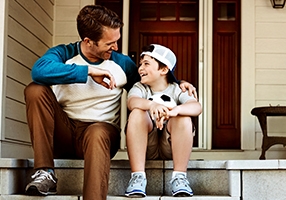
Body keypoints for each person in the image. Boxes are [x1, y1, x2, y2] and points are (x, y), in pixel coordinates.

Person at [23, 5, 196, 200]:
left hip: (101, 133)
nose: (115, 47)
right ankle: (45, 172)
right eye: (109, 43)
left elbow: (149, 85)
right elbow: (38, 72)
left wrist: (177, 83)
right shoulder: (63, 54)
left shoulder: (122, 63)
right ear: (88, 41)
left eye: (117, 41)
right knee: (35, 90)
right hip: (63, 131)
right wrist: (87, 72)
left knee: (97, 133)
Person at [124, 44, 202, 197]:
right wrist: (152, 105)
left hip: (171, 147)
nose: (140, 68)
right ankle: (138, 177)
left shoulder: (177, 89)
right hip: (147, 147)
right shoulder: (140, 88)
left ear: (164, 69)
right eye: (140, 64)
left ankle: (179, 177)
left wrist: (175, 111)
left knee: (184, 117)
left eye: (146, 64)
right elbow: (132, 102)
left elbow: (196, 107)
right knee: (137, 113)